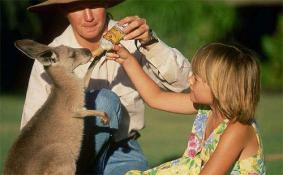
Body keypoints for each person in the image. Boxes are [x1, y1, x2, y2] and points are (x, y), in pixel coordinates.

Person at [21, 0, 191, 174]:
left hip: (123, 149)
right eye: (78, 8)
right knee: (104, 101)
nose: (88, 17)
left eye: (94, 4)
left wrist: (150, 42)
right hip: (74, 152)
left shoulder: (132, 36)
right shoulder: (52, 57)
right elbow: (32, 134)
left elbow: (186, 85)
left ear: (106, 4)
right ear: (65, 10)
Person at [106, 42, 266, 174]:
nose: (189, 80)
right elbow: (156, 98)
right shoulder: (207, 108)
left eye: (196, 78)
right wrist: (127, 60)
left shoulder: (238, 129)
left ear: (219, 88)